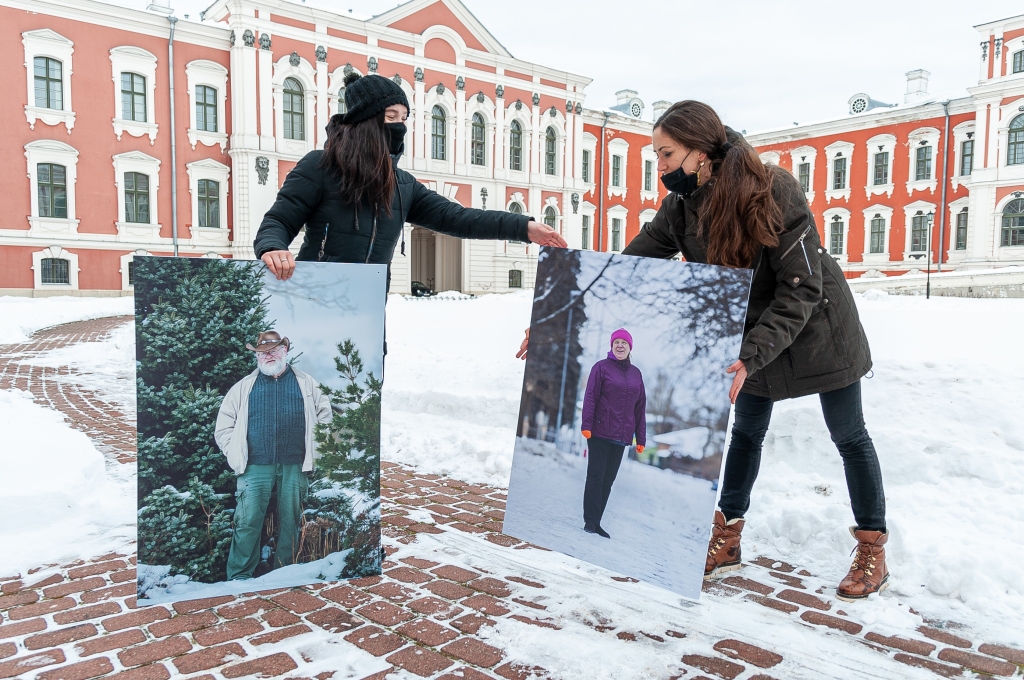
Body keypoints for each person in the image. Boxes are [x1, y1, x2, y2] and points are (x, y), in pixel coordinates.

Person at [517, 101, 888, 601]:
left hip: (820, 329)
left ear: (701, 152)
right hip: (751, 336)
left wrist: (750, 355)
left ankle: (872, 549)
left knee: (849, 436)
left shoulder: (773, 190)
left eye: (667, 154)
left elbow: (800, 288)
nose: (660, 166)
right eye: (656, 155)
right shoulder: (682, 205)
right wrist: (554, 316)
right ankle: (729, 538)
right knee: (747, 434)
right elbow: (633, 266)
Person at [254, 72, 566, 285]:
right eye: (390, 118)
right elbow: (278, 220)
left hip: (370, 309)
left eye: (404, 119)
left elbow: (459, 218)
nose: (399, 127)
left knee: (360, 383)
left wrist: (524, 227)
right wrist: (272, 248)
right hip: (313, 295)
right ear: (365, 122)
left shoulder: (402, 185)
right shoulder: (320, 167)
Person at [214, 331, 332, 580]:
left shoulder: (306, 383)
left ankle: (284, 574)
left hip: (295, 465)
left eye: (274, 350)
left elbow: (325, 416)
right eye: (263, 352)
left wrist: (317, 448)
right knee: (247, 523)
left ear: (285, 351)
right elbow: (224, 426)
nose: (269, 355)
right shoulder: (244, 387)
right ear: (256, 355)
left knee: (291, 523)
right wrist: (233, 452)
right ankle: (239, 577)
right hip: (253, 467)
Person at [579, 329, 647, 539]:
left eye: (623, 343)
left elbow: (640, 407)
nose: (620, 346)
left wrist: (640, 438)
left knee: (608, 480)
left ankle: (597, 521)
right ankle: (590, 521)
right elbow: (590, 397)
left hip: (622, 437)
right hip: (599, 432)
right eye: (616, 342)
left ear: (630, 347)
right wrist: (586, 424)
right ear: (611, 345)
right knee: (596, 476)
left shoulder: (636, 374)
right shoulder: (601, 368)